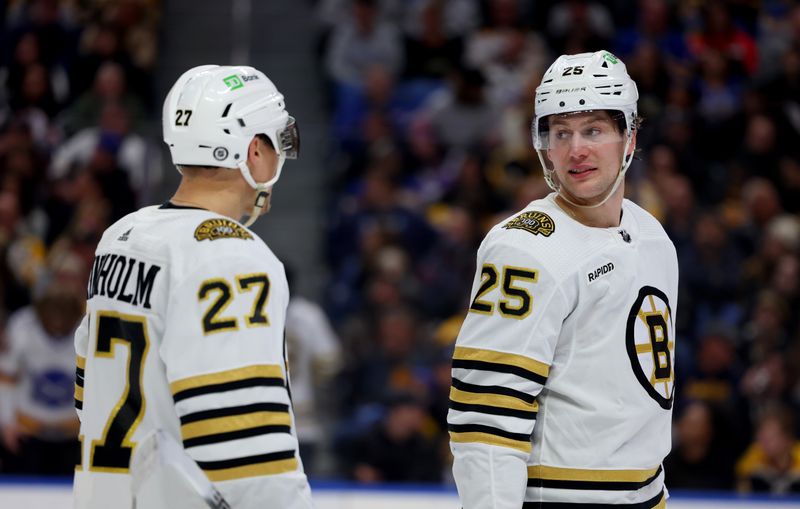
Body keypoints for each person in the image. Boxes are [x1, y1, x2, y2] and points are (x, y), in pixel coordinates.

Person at [72, 65, 312, 509]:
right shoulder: (235, 257)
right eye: (278, 142)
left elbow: (88, 394)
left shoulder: (121, 236)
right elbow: (244, 446)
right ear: (253, 149)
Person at [448, 50, 678, 508]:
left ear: (629, 137)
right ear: (544, 144)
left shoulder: (654, 238)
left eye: (593, 129)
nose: (576, 149)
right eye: (561, 131)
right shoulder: (524, 249)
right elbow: (486, 416)